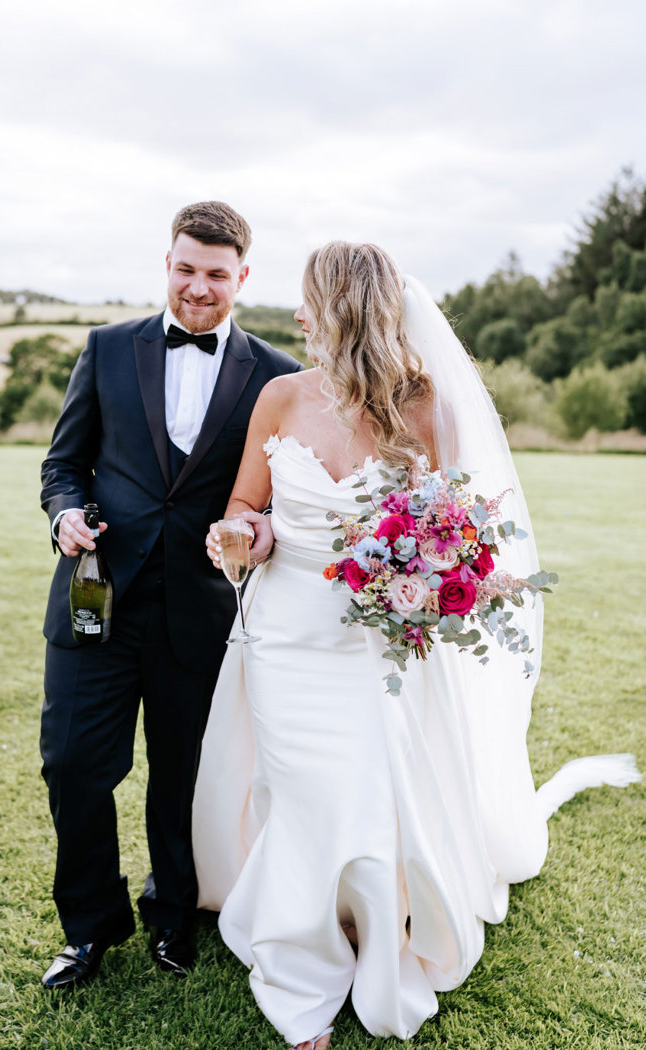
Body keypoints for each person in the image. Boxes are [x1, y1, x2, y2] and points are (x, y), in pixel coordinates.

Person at [193, 241, 640, 1050]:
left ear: (343, 306)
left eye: (308, 299)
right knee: (298, 794)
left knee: (365, 792)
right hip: (286, 637)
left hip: (377, 642)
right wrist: (242, 535)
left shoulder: (423, 404)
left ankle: (374, 931)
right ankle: (299, 956)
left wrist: (434, 567)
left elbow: (448, 522)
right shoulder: (281, 399)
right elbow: (247, 508)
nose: (296, 314)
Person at [38, 201, 302, 989]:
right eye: (186, 268)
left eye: (216, 274)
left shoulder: (280, 377)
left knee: (184, 775)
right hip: (98, 600)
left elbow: (277, 503)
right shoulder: (107, 349)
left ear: (242, 278)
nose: (198, 287)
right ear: (168, 263)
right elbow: (64, 463)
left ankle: (173, 915)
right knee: (74, 764)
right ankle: (88, 929)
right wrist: (63, 517)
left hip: (203, 609)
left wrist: (256, 535)